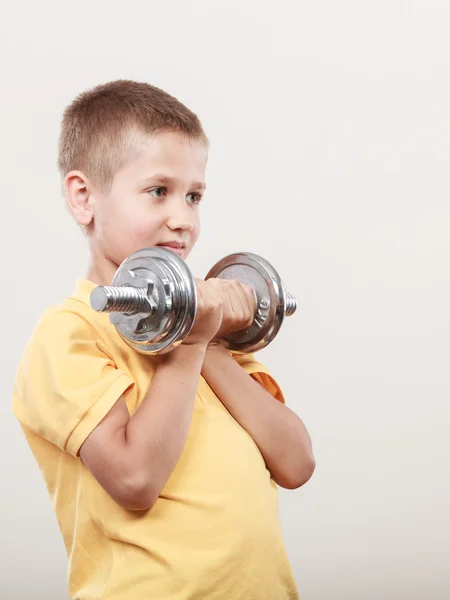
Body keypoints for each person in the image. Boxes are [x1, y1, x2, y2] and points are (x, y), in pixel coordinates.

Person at [11, 79, 315, 599]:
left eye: (194, 196)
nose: (183, 220)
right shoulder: (71, 334)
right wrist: (191, 346)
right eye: (158, 191)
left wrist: (210, 339)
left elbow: (296, 463)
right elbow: (134, 481)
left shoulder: (211, 338)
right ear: (84, 198)